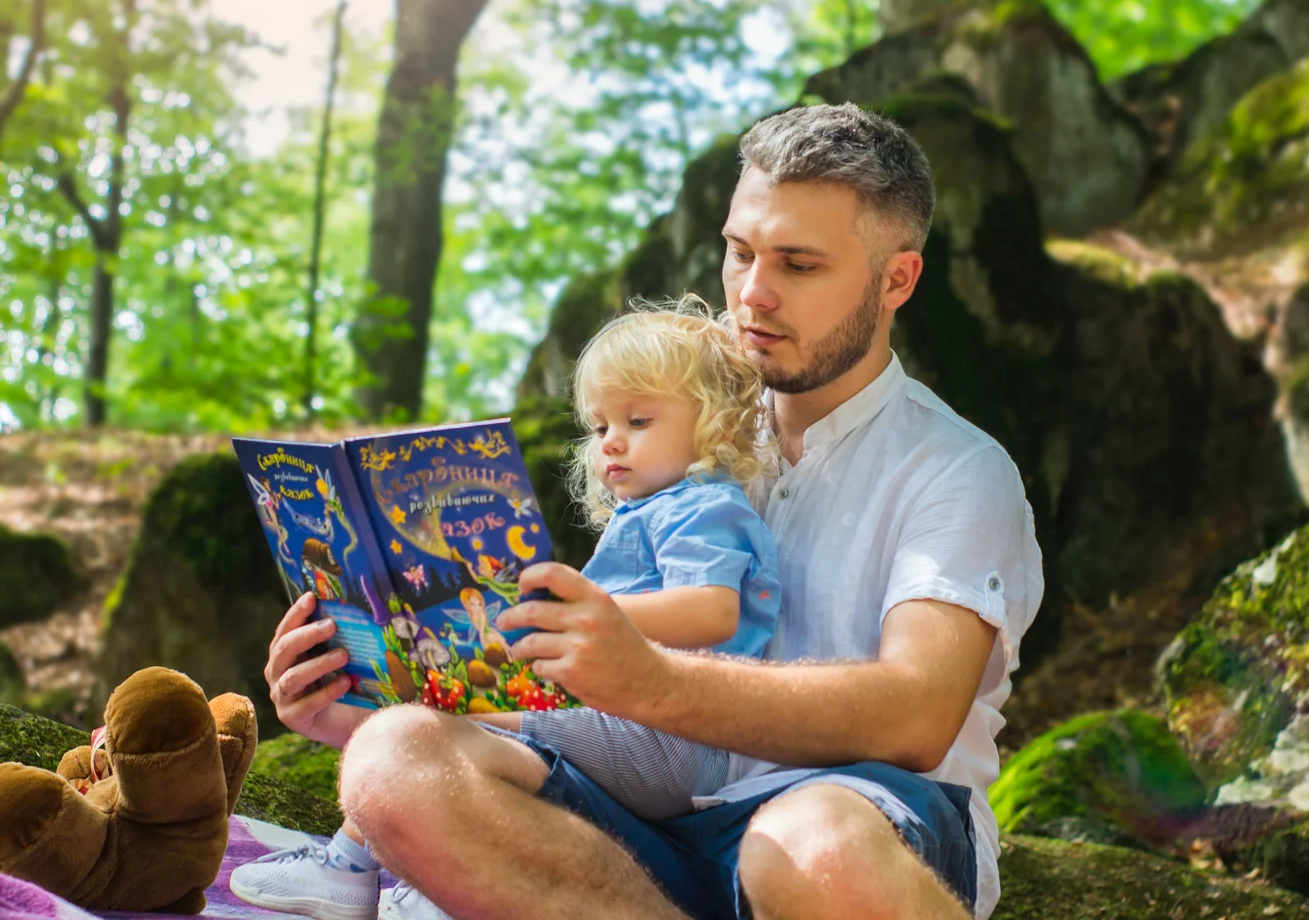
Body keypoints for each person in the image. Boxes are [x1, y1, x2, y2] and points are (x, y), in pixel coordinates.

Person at [265, 102, 1041, 920]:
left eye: (798, 266)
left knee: (812, 841)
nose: (753, 294)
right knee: (392, 757)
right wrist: (364, 689)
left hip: (857, 820)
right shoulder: (682, 434)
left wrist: (648, 678)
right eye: (738, 254)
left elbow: (917, 715)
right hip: (646, 828)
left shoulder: (957, 469)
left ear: (896, 280)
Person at [232, 305, 783, 919]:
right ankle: (405, 870)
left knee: (452, 721)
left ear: (720, 423)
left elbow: (713, 612)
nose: (612, 442)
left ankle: (352, 868)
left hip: (670, 740)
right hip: (633, 728)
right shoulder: (652, 511)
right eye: (599, 427)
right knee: (442, 718)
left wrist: (585, 613)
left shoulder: (704, 507)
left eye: (639, 419)